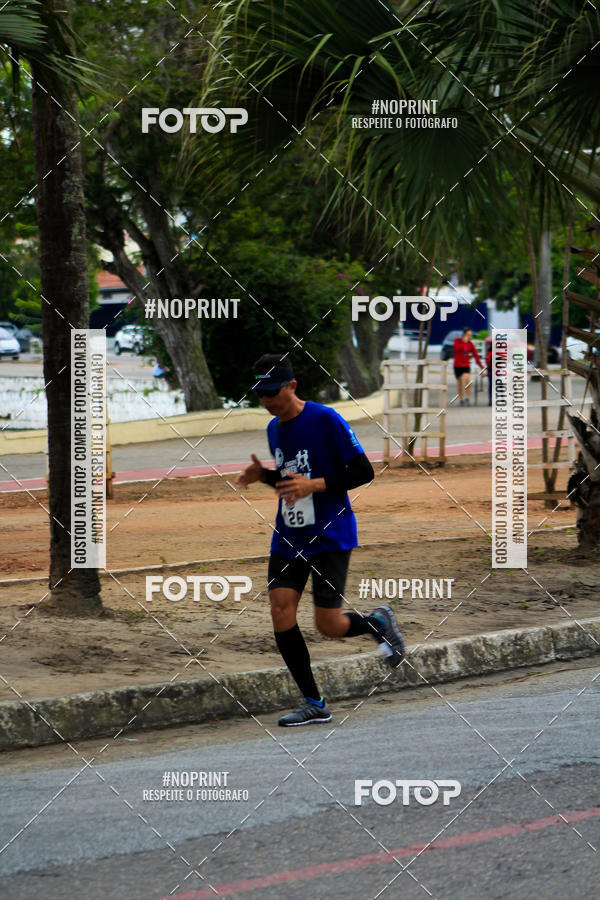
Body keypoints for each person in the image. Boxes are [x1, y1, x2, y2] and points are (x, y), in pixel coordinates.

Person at [235, 354, 405, 727]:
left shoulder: (326, 419)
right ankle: (314, 702)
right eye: (260, 394)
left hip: (330, 534)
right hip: (289, 535)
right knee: (280, 610)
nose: (266, 401)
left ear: (292, 386)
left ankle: (377, 622)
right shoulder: (274, 429)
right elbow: (289, 476)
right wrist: (263, 475)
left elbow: (363, 471)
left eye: (272, 392)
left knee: (327, 625)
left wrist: (315, 485)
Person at [453, 327, 484, 405]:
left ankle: (467, 397)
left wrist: (481, 366)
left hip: (466, 365)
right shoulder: (457, 341)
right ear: (464, 335)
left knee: (467, 379)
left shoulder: (470, 344)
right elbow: (457, 349)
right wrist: (464, 342)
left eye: (471, 335)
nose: (470, 336)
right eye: (468, 335)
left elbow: (476, 356)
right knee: (459, 383)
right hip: (457, 365)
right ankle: (461, 399)